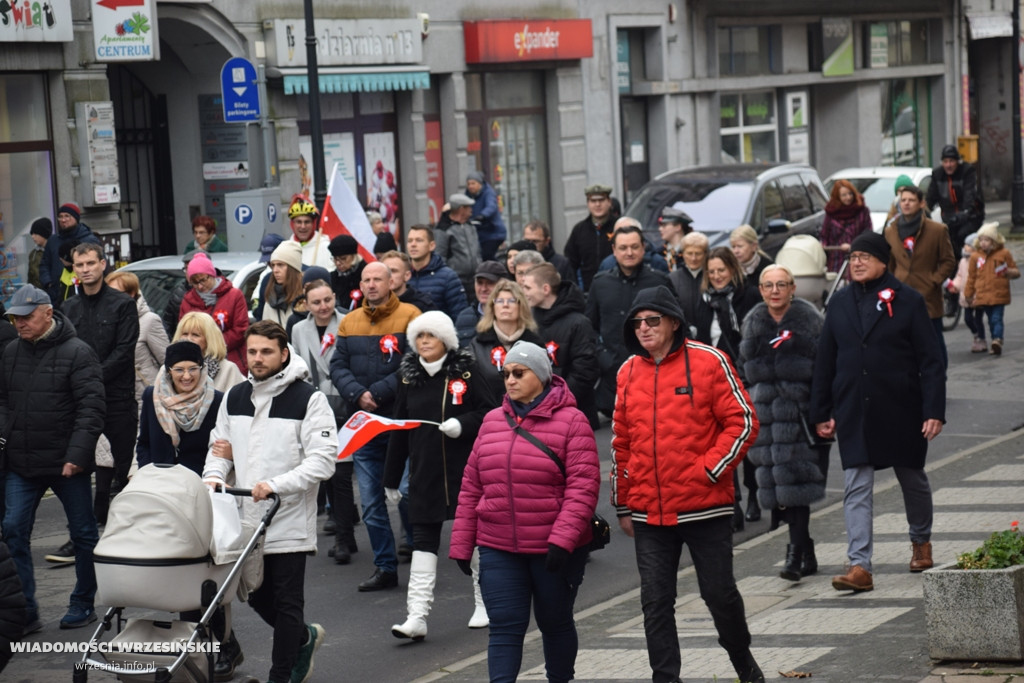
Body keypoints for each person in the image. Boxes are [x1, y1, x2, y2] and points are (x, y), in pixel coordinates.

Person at [611, 285, 764, 683]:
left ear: (673, 322)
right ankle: (665, 677)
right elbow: (621, 441)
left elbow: (743, 421)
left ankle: (742, 661)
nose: (643, 328)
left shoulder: (709, 361)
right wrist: (623, 504)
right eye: (637, 322)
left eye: (652, 320)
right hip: (649, 513)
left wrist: (710, 470)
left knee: (719, 595)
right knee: (655, 602)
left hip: (705, 507)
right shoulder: (628, 371)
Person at [450, 341, 600, 683]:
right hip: (499, 546)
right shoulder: (491, 422)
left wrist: (563, 541)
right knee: (503, 627)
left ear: (543, 376)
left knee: (555, 621)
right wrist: (462, 544)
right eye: (506, 374)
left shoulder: (572, 422)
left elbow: (583, 487)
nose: (511, 380)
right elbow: (472, 486)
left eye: (520, 373)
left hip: (552, 548)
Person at [810, 231, 945, 592]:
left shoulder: (908, 301)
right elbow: (826, 361)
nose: (856, 262)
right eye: (852, 257)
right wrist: (821, 410)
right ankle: (860, 565)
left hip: (901, 406)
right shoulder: (838, 304)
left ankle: (921, 542)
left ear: (883, 262)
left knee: (912, 477)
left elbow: (932, 361)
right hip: (855, 407)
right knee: (856, 484)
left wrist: (934, 410)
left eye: (864, 257)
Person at [202, 320, 335, 683]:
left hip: (288, 517)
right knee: (255, 597)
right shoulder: (234, 396)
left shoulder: (309, 399)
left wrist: (275, 485)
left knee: (288, 603)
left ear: (284, 353)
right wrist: (213, 477)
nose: (257, 359)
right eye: (253, 352)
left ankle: (281, 676)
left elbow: (323, 461)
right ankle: (304, 638)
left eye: (266, 352)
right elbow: (220, 450)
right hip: (245, 520)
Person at [384, 312, 497, 639]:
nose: (424, 342)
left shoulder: (467, 370)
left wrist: (464, 424)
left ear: (445, 340)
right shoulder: (408, 378)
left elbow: (490, 411)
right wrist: (391, 478)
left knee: (475, 536)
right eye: (419, 337)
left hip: (465, 472)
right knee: (423, 541)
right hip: (425, 473)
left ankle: (485, 602)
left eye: (431, 336)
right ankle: (417, 616)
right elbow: (399, 428)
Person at [0, 285, 105, 632]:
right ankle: (26, 610)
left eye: (26, 317)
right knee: (13, 529)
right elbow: (3, 401)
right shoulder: (11, 351)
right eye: (14, 317)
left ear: (48, 313)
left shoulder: (78, 352)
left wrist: (76, 454)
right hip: (22, 462)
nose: (19, 324)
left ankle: (83, 602)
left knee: (84, 534)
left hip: (66, 464)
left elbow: (91, 409)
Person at [330, 261, 421, 592]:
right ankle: (385, 566)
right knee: (370, 502)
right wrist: (357, 394)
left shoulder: (410, 316)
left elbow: (414, 363)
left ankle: (414, 540)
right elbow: (337, 365)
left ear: (391, 282)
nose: (370, 285)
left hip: (400, 420)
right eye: (365, 279)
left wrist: (378, 393)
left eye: (377, 279)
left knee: (408, 492)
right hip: (366, 424)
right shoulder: (349, 321)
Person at [738, 265, 828, 580]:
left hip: (802, 418)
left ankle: (793, 555)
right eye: (768, 285)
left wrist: (822, 414)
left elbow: (826, 370)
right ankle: (806, 549)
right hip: (766, 419)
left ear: (792, 288)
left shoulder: (810, 320)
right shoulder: (753, 322)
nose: (774, 291)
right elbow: (742, 368)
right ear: (761, 290)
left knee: (796, 486)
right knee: (779, 491)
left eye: (781, 285)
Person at [62, 243, 140, 529]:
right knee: (77, 468)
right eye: (79, 265)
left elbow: (124, 351)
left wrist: (90, 377)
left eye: (90, 263)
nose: (85, 269)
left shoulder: (122, 304)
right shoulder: (68, 307)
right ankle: (80, 532)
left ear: (103, 264)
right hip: (81, 403)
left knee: (125, 469)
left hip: (117, 399)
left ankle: (131, 531)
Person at [291, 279, 358, 565]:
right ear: (306, 304)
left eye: (327, 300)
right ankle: (345, 532)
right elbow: (296, 364)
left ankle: (344, 537)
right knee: (324, 469)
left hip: (344, 403)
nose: (323, 307)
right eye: (316, 302)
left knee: (341, 473)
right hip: (315, 407)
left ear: (334, 298)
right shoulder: (298, 329)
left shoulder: (348, 321)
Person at [586, 221, 670, 418]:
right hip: (612, 378)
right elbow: (589, 327)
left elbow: (674, 323)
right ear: (614, 250)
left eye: (634, 247)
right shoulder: (600, 283)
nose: (629, 252)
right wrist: (603, 358)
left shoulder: (659, 281)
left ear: (643, 248)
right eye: (623, 248)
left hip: (655, 374)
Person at [882, 183, 956, 368]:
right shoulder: (890, 231)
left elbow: (948, 261)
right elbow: (889, 263)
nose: (906, 204)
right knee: (904, 343)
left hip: (928, 295)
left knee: (933, 342)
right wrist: (891, 285)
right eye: (903, 200)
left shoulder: (937, 230)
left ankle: (939, 378)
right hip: (900, 294)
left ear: (921, 203)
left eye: (911, 200)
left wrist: (934, 280)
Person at [468, 279, 544, 399]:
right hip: (488, 413)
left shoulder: (535, 344)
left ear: (521, 306)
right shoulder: (477, 346)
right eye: (499, 301)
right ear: (493, 307)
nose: (505, 305)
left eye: (511, 300)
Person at [178, 251, 249, 373]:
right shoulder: (188, 300)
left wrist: (212, 344)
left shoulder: (234, 295)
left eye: (203, 280)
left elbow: (241, 330)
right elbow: (183, 330)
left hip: (232, 359)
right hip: (198, 361)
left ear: (212, 275)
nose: (200, 286)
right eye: (195, 283)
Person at [105, 271, 169, 404]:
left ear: (131, 294)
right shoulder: (106, 322)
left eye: (116, 292)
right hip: (117, 396)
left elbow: (167, 361)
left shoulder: (149, 320)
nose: (111, 298)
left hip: (147, 397)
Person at [964, 221, 1020, 356]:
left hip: (999, 293)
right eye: (981, 240)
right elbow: (971, 277)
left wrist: (1008, 272)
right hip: (983, 295)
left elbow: (1015, 271)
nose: (983, 243)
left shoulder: (1003, 253)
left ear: (994, 241)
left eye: (987, 240)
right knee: (990, 319)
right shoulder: (975, 257)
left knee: (996, 318)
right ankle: (995, 339)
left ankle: (997, 339)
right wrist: (968, 294)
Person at [926, 144, 984, 256]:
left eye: (951, 161)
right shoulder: (937, 175)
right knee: (947, 244)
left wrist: (965, 212)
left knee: (963, 239)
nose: (948, 165)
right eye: (945, 161)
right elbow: (930, 198)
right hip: (949, 219)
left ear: (957, 161)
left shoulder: (967, 171)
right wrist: (924, 211)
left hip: (970, 217)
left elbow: (969, 194)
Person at [38, 202, 100, 305]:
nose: (63, 220)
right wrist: (48, 283)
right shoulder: (53, 240)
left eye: (67, 216)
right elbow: (44, 264)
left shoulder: (89, 240)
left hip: (81, 293)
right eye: (60, 217)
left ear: (76, 218)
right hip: (56, 295)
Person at [173, 312, 247, 393]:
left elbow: (236, 403)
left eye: (195, 335)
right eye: (185, 334)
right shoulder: (170, 366)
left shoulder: (228, 369)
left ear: (209, 339)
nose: (188, 339)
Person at [407, 224, 469, 320]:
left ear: (432, 246)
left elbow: (461, 317)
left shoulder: (448, 277)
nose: (413, 244)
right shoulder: (403, 276)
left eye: (419, 240)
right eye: (410, 241)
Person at [565, 183, 616, 292]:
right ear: (588, 204)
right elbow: (571, 263)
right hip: (588, 291)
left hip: (616, 287)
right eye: (593, 201)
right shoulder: (579, 230)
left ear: (609, 202)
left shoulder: (618, 226)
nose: (597, 204)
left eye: (601, 200)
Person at [433, 193, 483, 296]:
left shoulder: (470, 227)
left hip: (475, 280)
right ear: (461, 209)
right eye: (468, 207)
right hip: (456, 282)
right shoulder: (443, 230)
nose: (471, 210)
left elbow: (477, 251)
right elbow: (440, 256)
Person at [820, 180, 873, 276]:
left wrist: (853, 245)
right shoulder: (831, 213)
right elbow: (824, 235)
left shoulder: (862, 210)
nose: (848, 197)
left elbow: (868, 234)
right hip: (836, 260)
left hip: (858, 258)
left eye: (850, 194)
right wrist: (823, 245)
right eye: (844, 195)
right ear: (838, 197)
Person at [456, 261, 508, 345]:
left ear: (504, 285)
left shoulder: (510, 316)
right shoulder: (463, 317)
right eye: (480, 283)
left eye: (490, 283)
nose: (483, 289)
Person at [254, 240, 305, 327]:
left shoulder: (306, 299)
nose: (275, 270)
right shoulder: (270, 299)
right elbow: (265, 333)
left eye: (280, 265)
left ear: (293, 268)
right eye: (273, 265)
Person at [669, 231, 710, 336]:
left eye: (698, 253)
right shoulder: (672, 279)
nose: (693, 258)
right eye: (689, 253)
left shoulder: (712, 277)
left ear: (705, 254)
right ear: (683, 254)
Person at [949, 231, 984, 352]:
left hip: (978, 295)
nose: (965, 247)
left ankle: (981, 339)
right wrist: (955, 285)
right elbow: (959, 275)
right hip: (966, 295)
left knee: (978, 319)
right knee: (968, 318)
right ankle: (976, 334)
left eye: (968, 245)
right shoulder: (963, 261)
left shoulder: (980, 261)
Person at [286, 194, 334, 270]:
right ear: (292, 224)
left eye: (307, 222)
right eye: (299, 222)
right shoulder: (286, 249)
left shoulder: (326, 247)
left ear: (314, 224)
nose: (303, 226)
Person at [466, 171, 507, 261]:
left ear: (480, 184)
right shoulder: (468, 195)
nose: (470, 186)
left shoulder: (488, 192)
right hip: (480, 232)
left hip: (494, 232)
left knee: (487, 255)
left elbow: (491, 206)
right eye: (468, 184)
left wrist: (483, 215)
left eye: (473, 183)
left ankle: (499, 270)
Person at [328, 234, 367, 311]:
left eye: (343, 258)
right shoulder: (332, 277)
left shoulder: (366, 274)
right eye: (335, 259)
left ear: (353, 256)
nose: (338, 263)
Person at [658, 208, 693, 272]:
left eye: (664, 225)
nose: (660, 229)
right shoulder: (658, 253)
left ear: (678, 227)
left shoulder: (693, 253)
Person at [28, 217, 51, 289]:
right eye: (32, 234)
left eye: (35, 234)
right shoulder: (33, 254)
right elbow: (30, 277)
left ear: (43, 234)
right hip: (37, 295)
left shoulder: (53, 250)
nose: (32, 236)